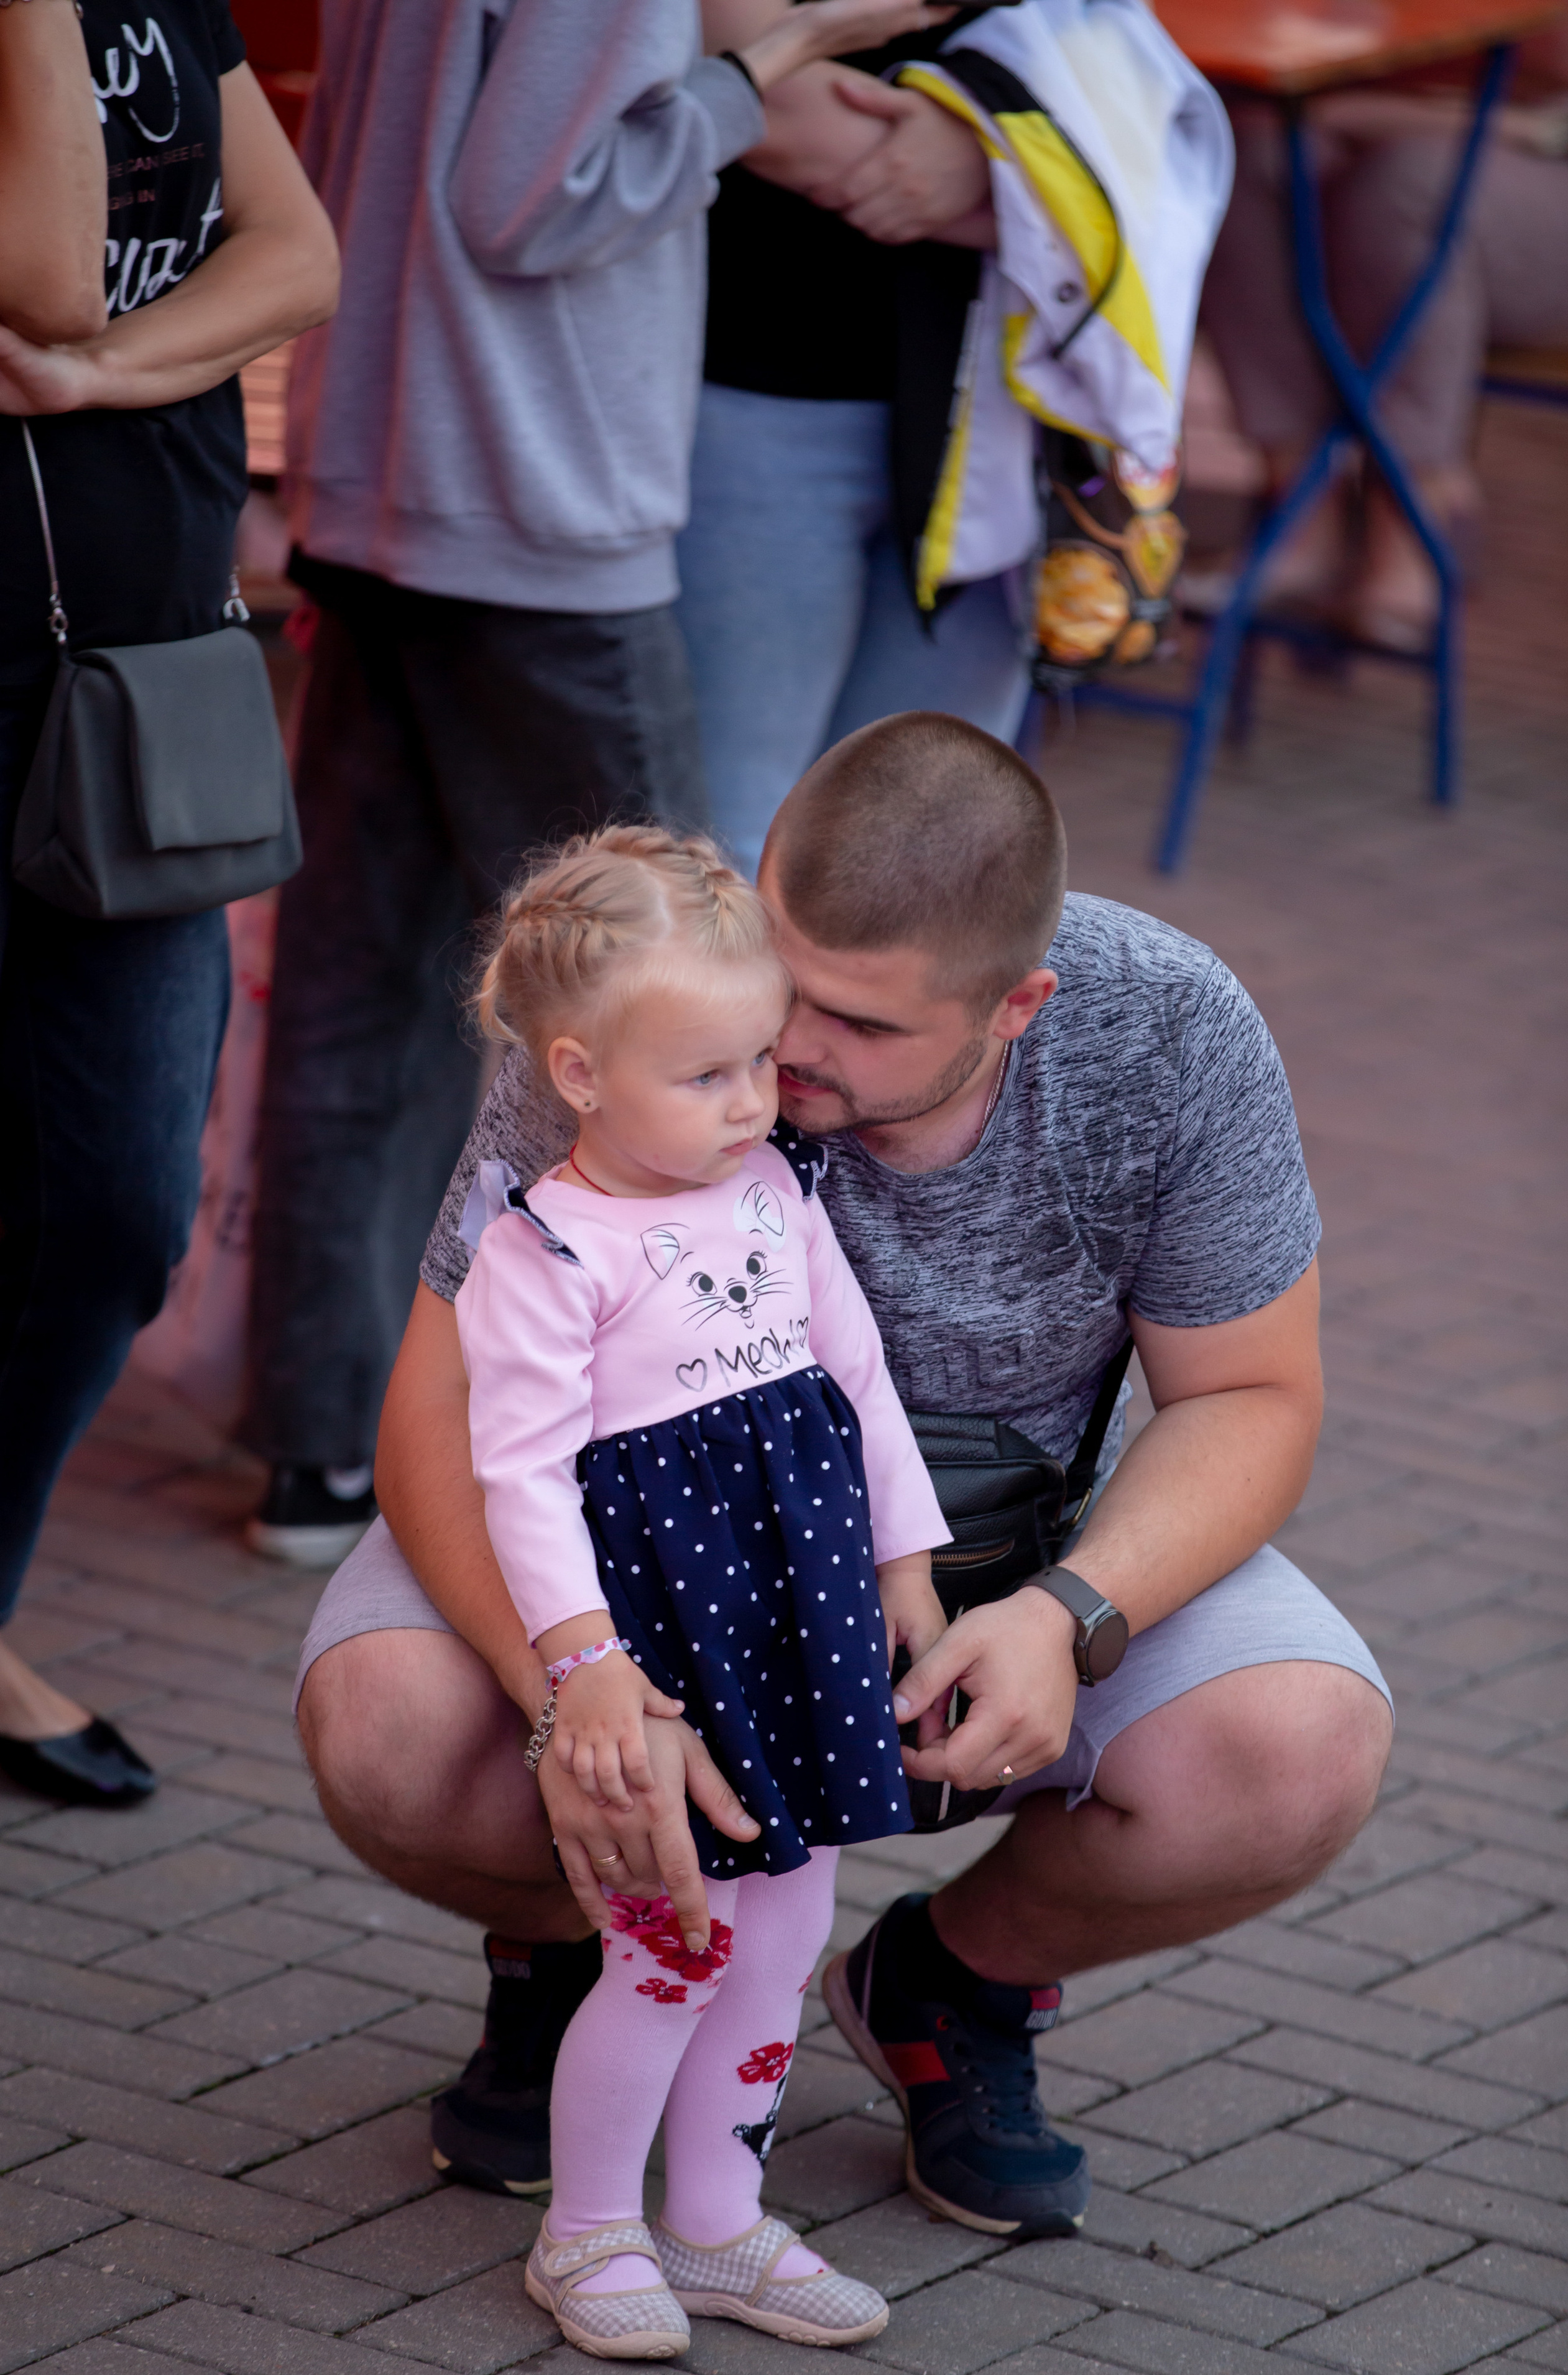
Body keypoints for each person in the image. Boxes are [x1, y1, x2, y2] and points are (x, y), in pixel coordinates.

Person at [295, 710, 1394, 2240]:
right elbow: (435, 1411)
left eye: (860, 1026)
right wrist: (569, 1695)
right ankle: (592, 1949)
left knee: (1297, 1747)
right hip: (627, 1575)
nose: (782, 1051)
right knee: (386, 1721)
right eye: (784, 980)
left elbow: (1253, 1394)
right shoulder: (653, 987)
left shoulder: (1168, 1032)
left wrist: (1073, 1610)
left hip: (987, 1561)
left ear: (1017, 1002)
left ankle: (946, 1987)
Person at [242, 0, 959, 1567]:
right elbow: (538, 199)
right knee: (671, 1000)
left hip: (383, 471)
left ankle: (318, 1446)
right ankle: (650, 1443)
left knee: (366, 984)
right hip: (535, 495)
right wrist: (763, 65)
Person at [458, 824, 947, 2354]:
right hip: (663, 1640)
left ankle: (718, 2220)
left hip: (797, 1613)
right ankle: (586, 2228)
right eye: (706, 1075)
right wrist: (584, 1661)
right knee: (670, 1939)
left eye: (758, 1062)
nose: (751, 1101)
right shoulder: (544, 1248)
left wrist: (903, 1558)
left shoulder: (770, 1189)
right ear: (581, 1070)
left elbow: (852, 1374)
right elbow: (520, 1473)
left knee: (783, 1929)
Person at [0, 0, 338, 1804]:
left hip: (140, 689)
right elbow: (47, 275)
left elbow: (297, 254)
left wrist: (109, 380)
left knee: (120, 1201)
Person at [683, 2, 1022, 873]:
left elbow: (1133, 85)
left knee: (925, 870)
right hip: (759, 375)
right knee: (728, 853)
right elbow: (749, 78)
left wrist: (993, 164)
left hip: (997, 411)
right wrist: (1025, 176)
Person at [1199, 5, 1568, 649]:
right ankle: (1299, 502)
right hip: (1352, 115)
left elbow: (1561, 87)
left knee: (1408, 188)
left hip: (1556, 172)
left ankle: (1415, 511)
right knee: (1250, 159)